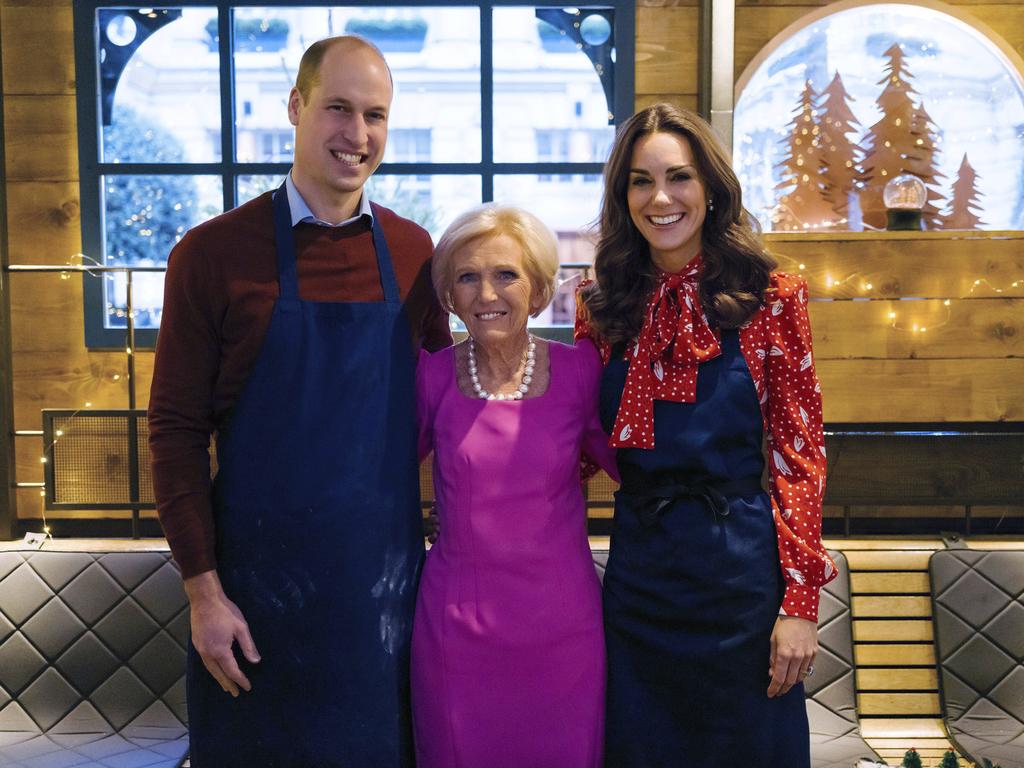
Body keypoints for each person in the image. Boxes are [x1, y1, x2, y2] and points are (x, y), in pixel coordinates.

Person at [148, 36, 450, 767]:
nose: (358, 134)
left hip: (382, 608)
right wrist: (204, 595)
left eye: (375, 115)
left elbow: (450, 411)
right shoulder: (212, 253)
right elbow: (175, 432)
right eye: (338, 109)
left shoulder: (416, 255)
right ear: (296, 107)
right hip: (251, 608)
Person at [574, 103, 837, 766]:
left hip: (743, 580)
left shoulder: (772, 296)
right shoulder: (598, 302)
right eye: (640, 180)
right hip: (640, 576)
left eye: (679, 177)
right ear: (622, 194)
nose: (660, 198)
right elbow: (576, 446)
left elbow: (798, 453)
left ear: (712, 186)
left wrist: (800, 602)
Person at [411, 205, 618, 768]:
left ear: (539, 287)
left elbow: (638, 474)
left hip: (564, 633)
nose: (486, 294)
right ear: (450, 297)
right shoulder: (430, 376)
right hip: (456, 635)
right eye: (467, 277)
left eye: (506, 274)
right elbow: (378, 480)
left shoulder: (580, 373)